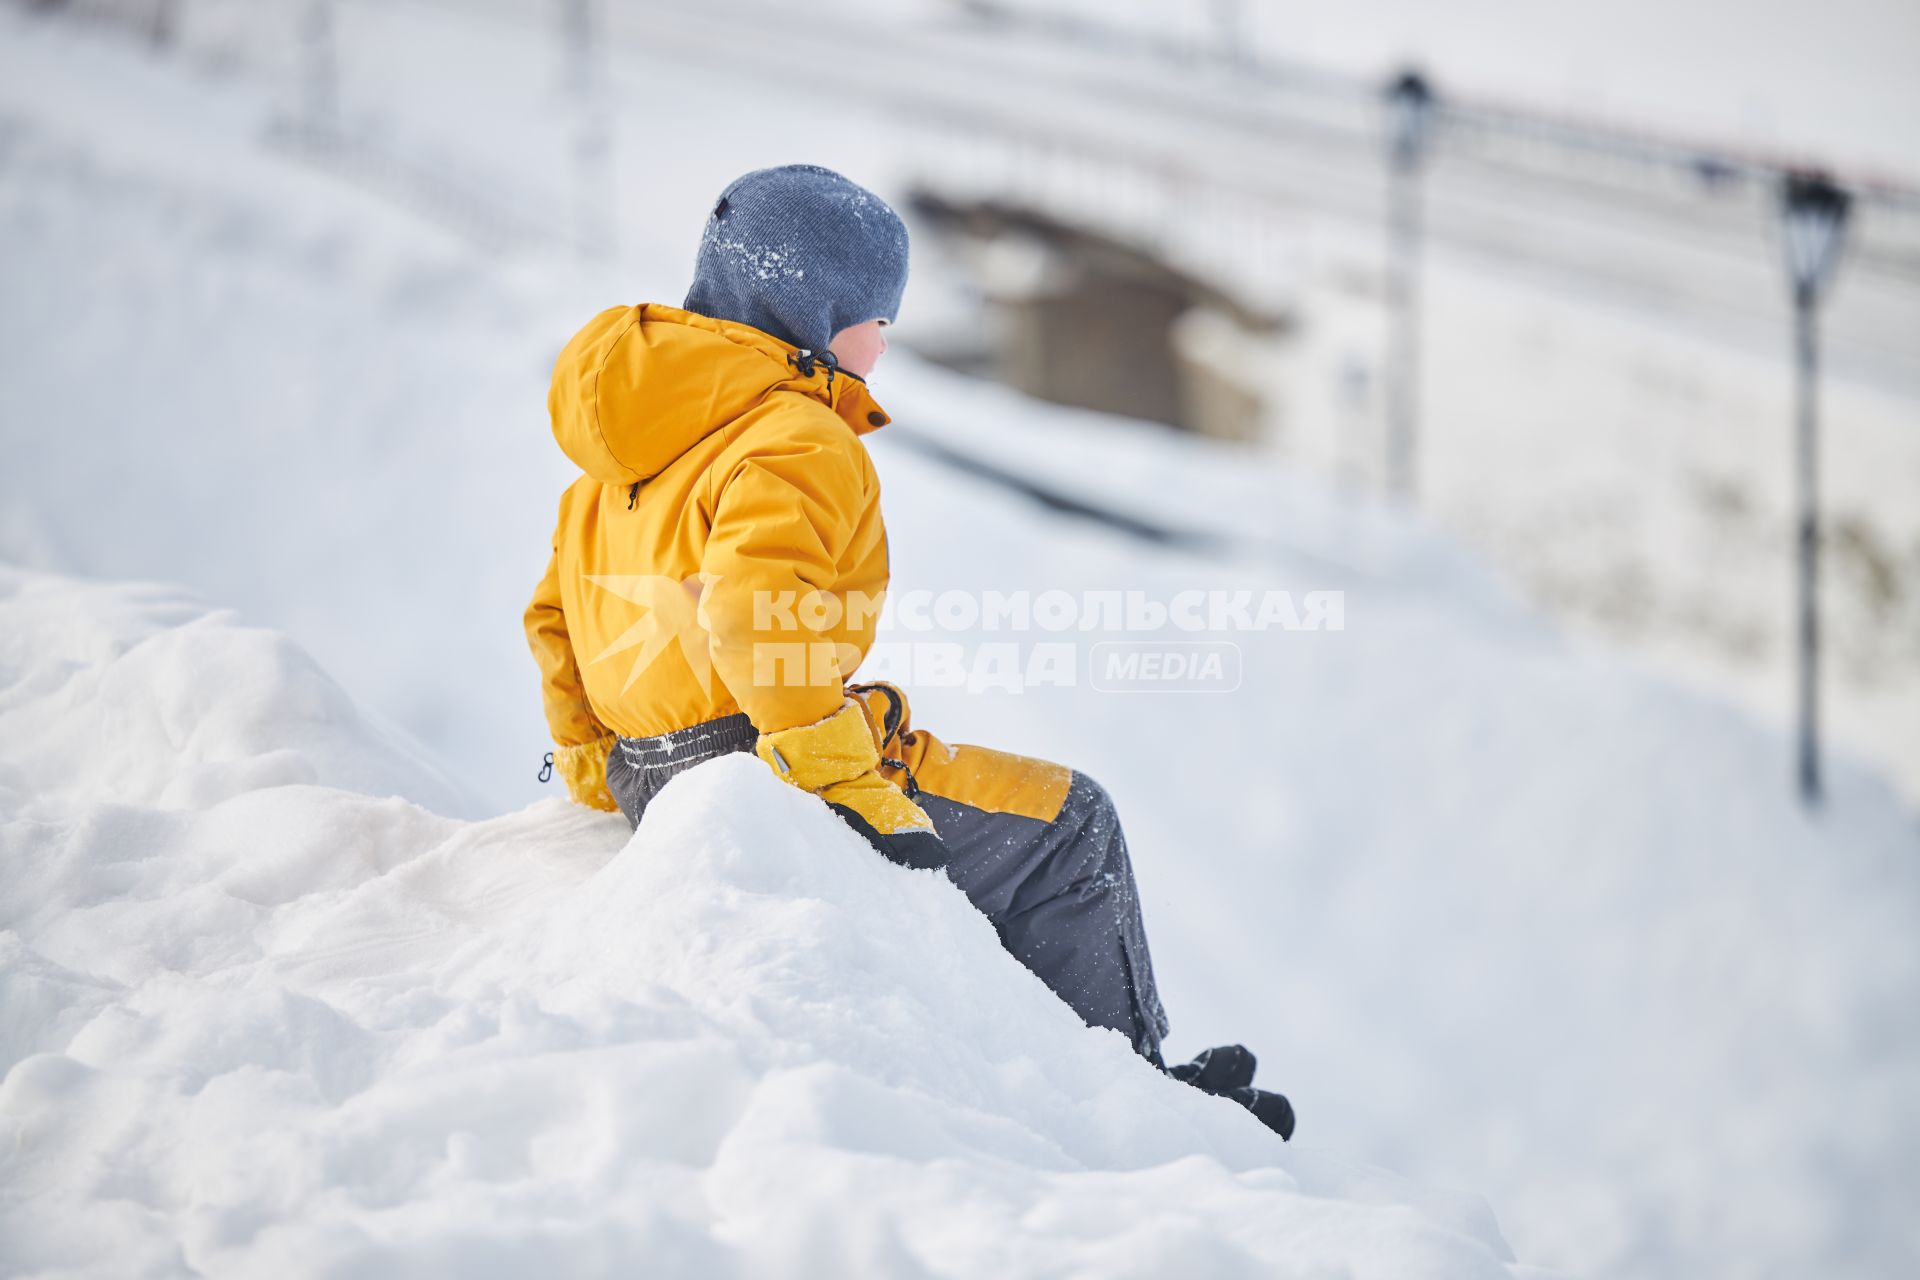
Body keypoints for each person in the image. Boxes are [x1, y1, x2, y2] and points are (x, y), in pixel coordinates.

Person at [524, 164, 1293, 1140]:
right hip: (766, 761)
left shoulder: (619, 453)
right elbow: (756, 609)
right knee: (1068, 825)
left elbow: (553, 615)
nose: (886, 337)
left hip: (652, 770)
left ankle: (1041, 1041)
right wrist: (844, 777)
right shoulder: (793, 433)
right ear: (816, 310)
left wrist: (594, 761)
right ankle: (1136, 1091)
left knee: (992, 821)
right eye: (876, 318)